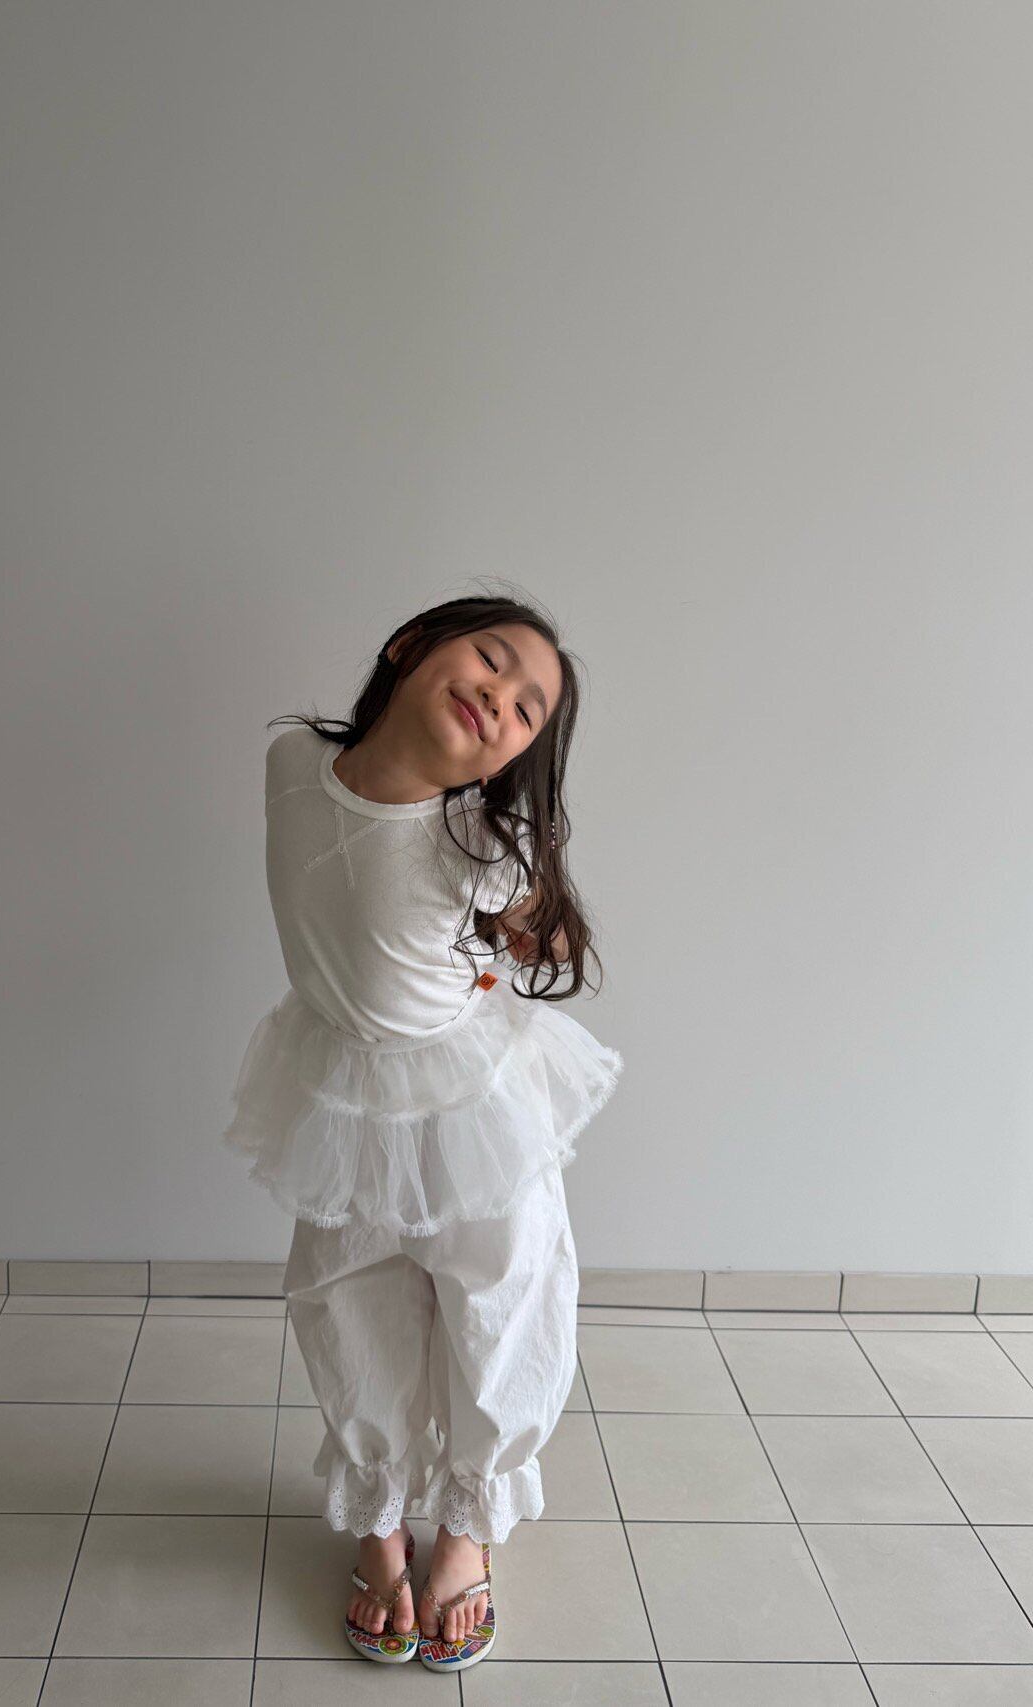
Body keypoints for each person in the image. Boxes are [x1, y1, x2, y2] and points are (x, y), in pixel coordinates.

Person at [220, 591, 623, 1671]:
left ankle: (469, 1526)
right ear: (410, 647)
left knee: (497, 1295)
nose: (499, 696)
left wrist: (506, 941)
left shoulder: (479, 847)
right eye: (490, 660)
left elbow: (535, 939)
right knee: (346, 1292)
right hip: (341, 1091)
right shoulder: (292, 761)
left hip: (466, 1104)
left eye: (527, 708)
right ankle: (380, 1516)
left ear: (514, 755)